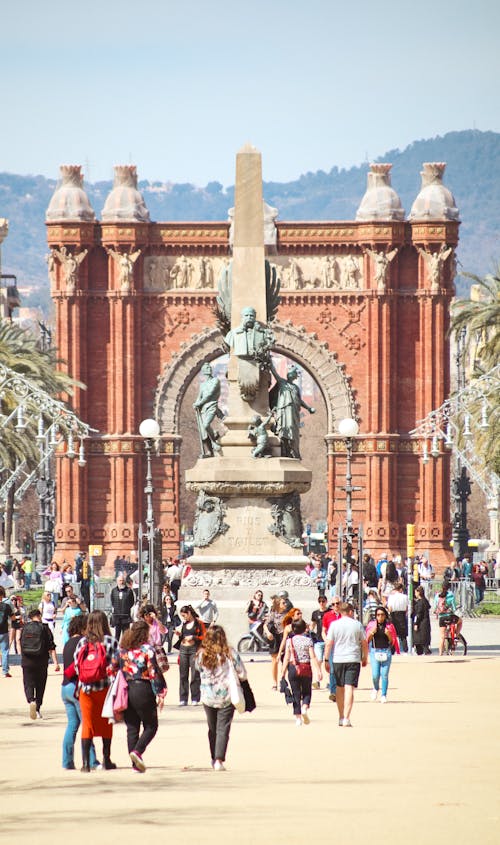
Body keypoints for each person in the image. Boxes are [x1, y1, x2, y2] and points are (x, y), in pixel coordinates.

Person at [114, 620, 167, 773]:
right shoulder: (147, 650)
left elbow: (111, 668)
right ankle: (138, 751)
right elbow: (153, 671)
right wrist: (160, 691)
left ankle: (135, 764)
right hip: (143, 688)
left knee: (132, 727)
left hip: (127, 688)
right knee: (151, 725)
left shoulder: (122, 650)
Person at [195, 624, 247, 771]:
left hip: (208, 695)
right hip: (226, 694)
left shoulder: (201, 654)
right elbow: (242, 673)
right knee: (223, 728)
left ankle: (214, 756)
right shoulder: (230, 653)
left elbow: (198, 669)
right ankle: (219, 759)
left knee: (212, 728)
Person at [74, 610, 119, 772]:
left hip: (86, 689)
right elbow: (116, 664)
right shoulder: (110, 641)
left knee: (87, 724)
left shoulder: (82, 643)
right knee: (107, 722)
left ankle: (86, 763)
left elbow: (77, 665)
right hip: (105, 688)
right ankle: (107, 759)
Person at [61, 614, 99, 770]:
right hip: (78, 687)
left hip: (65, 687)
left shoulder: (68, 643)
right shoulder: (83, 643)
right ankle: (91, 760)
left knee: (72, 725)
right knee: (87, 724)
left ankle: (67, 761)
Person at [324, 601, 368, 727]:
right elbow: (364, 642)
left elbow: (329, 643)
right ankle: (347, 718)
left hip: (338, 659)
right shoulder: (357, 624)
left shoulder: (334, 625)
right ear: (350, 612)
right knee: (349, 688)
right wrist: (364, 657)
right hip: (353, 659)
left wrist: (326, 659)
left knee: (339, 687)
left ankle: (341, 716)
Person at [269, 360, 315, 459]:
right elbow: (274, 372)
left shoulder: (296, 388)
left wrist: (308, 408)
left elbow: (300, 400)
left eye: (293, 373)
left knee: (293, 432)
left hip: (293, 412)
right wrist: (270, 362)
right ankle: (284, 450)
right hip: (284, 411)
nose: (291, 374)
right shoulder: (282, 383)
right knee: (284, 429)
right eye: (291, 372)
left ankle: (292, 451)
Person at [20, 608, 60, 719]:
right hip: (41, 661)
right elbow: (51, 647)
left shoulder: (25, 628)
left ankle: (31, 700)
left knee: (28, 682)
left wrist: (21, 655)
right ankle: (37, 708)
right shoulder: (45, 628)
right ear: (39, 615)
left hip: (27, 660)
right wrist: (56, 663)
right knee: (40, 684)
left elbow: (20, 643)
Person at [281, 619, 322, 727]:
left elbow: (286, 657)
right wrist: (318, 670)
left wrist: (283, 672)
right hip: (306, 667)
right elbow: (313, 656)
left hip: (293, 668)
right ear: (304, 629)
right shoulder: (308, 641)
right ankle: (305, 707)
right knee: (307, 691)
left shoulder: (289, 641)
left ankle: (298, 718)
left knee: (296, 693)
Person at [365, 606, 399, 703]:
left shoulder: (389, 626)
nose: (380, 617)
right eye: (378, 615)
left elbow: (393, 642)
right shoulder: (372, 625)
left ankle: (384, 694)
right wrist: (372, 633)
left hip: (386, 652)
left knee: (384, 674)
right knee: (375, 674)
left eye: (382, 615)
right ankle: (376, 688)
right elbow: (367, 640)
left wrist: (388, 635)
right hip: (374, 651)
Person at [175, 605, 205, 705]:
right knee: (183, 675)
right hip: (184, 649)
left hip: (193, 649)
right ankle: (183, 698)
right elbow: (183, 635)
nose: (184, 618)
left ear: (189, 613)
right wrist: (180, 635)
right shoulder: (184, 624)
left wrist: (194, 637)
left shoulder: (198, 623)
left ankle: (195, 698)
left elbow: (204, 636)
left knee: (195, 674)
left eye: (184, 615)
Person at [193, 362, 223, 458]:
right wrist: (195, 403)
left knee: (206, 425)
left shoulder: (215, 381)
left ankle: (214, 442)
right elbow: (200, 396)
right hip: (203, 409)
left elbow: (209, 395)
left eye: (210, 367)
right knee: (203, 432)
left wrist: (199, 403)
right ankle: (210, 452)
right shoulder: (202, 385)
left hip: (212, 406)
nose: (209, 369)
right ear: (204, 371)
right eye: (207, 368)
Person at [263, 596, 287, 690]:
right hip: (275, 638)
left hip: (284, 637)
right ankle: (274, 682)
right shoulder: (273, 614)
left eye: (285, 603)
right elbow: (265, 625)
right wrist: (268, 633)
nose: (285, 604)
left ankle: (283, 680)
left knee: (285, 660)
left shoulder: (287, 615)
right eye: (283, 603)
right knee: (274, 660)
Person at [433, 583, 464, 656]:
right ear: (449, 588)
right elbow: (453, 608)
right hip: (450, 616)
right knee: (460, 621)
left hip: (441, 618)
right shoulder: (451, 595)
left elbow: (435, 608)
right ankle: (456, 635)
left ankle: (440, 654)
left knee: (442, 636)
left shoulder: (437, 596)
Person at [322, 597, 342, 702]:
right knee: (333, 669)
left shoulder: (345, 616)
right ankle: (333, 692)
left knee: (341, 669)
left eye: (337, 603)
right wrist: (327, 641)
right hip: (332, 645)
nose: (336, 606)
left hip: (342, 646)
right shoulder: (327, 615)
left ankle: (340, 690)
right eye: (333, 604)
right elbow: (323, 630)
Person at [310, 595, 328, 687]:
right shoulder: (315, 613)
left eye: (323, 601)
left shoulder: (329, 612)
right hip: (319, 639)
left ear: (326, 601)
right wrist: (309, 632)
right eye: (320, 601)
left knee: (329, 661)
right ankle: (318, 679)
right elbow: (312, 625)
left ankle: (330, 681)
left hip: (329, 639)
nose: (321, 603)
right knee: (319, 660)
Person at [110, 573, 135, 640]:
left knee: (126, 635)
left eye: (123, 580)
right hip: (117, 616)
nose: (121, 582)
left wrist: (126, 608)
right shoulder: (114, 591)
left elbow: (131, 601)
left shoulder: (129, 591)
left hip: (126, 616)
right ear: (117, 581)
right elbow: (112, 601)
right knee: (117, 635)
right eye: (120, 580)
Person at [386, 582, 409, 652]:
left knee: (393, 635)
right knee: (403, 635)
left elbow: (389, 608)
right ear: (401, 589)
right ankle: (405, 650)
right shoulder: (405, 597)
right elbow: (406, 608)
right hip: (402, 615)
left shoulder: (391, 597)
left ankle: (392, 650)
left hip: (393, 615)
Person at [412, 585, 432, 655]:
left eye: (416, 592)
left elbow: (419, 614)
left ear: (419, 592)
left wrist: (416, 623)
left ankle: (423, 653)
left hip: (421, 624)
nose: (415, 594)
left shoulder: (421, 603)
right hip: (425, 623)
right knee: (424, 642)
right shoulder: (425, 601)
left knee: (420, 641)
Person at [0, 585, 13, 677]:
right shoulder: (6, 606)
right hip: (3, 630)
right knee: (5, 651)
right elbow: (12, 617)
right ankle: (5, 671)